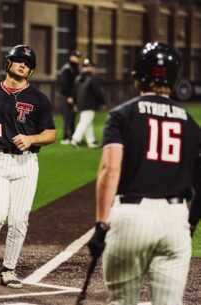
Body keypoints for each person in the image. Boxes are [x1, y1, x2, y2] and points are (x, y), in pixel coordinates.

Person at [86, 42, 200, 305]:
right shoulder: (192, 124)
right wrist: (190, 224)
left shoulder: (122, 114)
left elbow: (110, 168)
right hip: (175, 220)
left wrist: (101, 225)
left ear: (138, 73)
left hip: (130, 218)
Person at [0, 44, 56, 289]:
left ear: (31, 70)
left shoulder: (38, 99)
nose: (23, 64)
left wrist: (32, 139)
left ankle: (9, 269)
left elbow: (51, 133)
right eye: (18, 60)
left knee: (19, 220)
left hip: (26, 164)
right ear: (8, 63)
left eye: (27, 63)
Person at [70, 59, 105, 148]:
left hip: (81, 104)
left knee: (87, 122)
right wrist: (103, 102)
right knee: (85, 122)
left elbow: (74, 91)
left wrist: (75, 103)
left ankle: (91, 141)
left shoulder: (78, 77)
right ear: (91, 67)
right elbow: (98, 92)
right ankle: (75, 139)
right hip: (90, 104)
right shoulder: (92, 78)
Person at [57, 50, 81, 145]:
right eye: (76, 57)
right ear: (71, 57)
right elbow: (64, 84)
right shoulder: (67, 68)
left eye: (78, 57)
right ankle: (65, 137)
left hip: (73, 96)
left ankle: (72, 136)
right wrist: (69, 96)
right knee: (67, 117)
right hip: (67, 96)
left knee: (72, 117)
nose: (78, 59)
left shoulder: (74, 68)